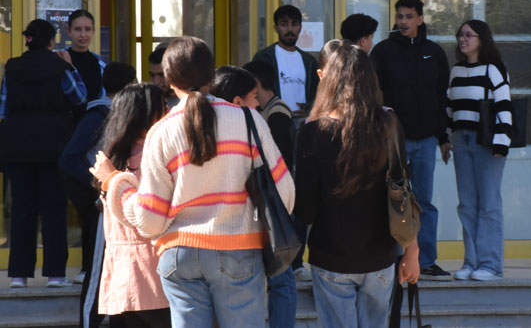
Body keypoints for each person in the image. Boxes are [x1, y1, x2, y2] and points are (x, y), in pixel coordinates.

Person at [90, 36, 294, 328]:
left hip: (179, 254)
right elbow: (284, 193)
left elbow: (149, 220)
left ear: (169, 79)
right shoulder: (249, 120)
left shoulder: (161, 132)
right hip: (239, 250)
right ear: (212, 75)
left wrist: (116, 184)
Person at [294, 42, 420, 327]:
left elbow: (306, 210)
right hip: (381, 254)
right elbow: (403, 191)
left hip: (330, 255)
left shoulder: (313, 132)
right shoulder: (388, 123)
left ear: (329, 79)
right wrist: (412, 252)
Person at [0, 19, 88, 288]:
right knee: (53, 209)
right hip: (54, 146)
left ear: (27, 40)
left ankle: (18, 275)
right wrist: (70, 66)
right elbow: (79, 98)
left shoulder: (11, 68)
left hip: (18, 149)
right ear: (51, 41)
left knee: (22, 209)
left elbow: (4, 110)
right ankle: (55, 274)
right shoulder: (59, 67)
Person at [370, 0, 451, 281]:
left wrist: (443, 136)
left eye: (408, 16)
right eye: (399, 16)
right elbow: (373, 95)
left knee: (424, 202)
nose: (402, 21)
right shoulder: (382, 51)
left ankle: (426, 260)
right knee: (394, 199)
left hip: (426, 139)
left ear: (420, 19)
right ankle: (391, 259)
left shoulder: (434, 52)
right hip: (393, 141)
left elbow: (442, 97)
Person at [211, 63, 297, 328]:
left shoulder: (199, 124)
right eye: (254, 98)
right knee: (281, 283)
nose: (258, 105)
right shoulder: (251, 122)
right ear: (238, 100)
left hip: (208, 238)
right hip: (252, 226)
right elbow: (282, 182)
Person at [59, 62, 136, 328]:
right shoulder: (101, 114)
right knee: (98, 273)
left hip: (119, 205)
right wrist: (100, 185)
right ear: (131, 86)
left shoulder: (121, 115)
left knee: (119, 272)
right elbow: (69, 158)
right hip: (103, 207)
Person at [97, 83, 171, 328]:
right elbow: (146, 215)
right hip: (153, 273)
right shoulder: (151, 157)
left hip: (121, 275)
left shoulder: (113, 158)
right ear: (144, 116)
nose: (170, 111)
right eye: (163, 107)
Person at [446, 20, 513, 281]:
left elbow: (504, 106)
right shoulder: (456, 71)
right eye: (460, 35)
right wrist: (446, 138)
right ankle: (471, 262)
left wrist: (502, 142)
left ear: (481, 39)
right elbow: (449, 108)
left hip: (487, 143)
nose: (462, 39)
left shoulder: (494, 69)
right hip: (461, 142)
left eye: (468, 35)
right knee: (467, 205)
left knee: (488, 205)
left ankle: (491, 265)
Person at [252, 4, 320, 115]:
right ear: (276, 28)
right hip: (273, 121)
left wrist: (309, 108)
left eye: (294, 24)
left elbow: (318, 92)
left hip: (302, 124)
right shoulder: (264, 57)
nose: (289, 29)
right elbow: (254, 91)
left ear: (300, 27)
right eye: (284, 24)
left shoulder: (309, 61)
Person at [66, 9, 106, 102]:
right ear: (69, 31)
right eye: (78, 29)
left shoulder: (100, 64)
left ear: (93, 31)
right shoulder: (61, 60)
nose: (83, 35)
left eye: (87, 29)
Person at [148, 44, 180, 108]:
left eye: (162, 75)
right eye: (152, 75)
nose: (156, 82)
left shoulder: (193, 104)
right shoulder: (148, 103)